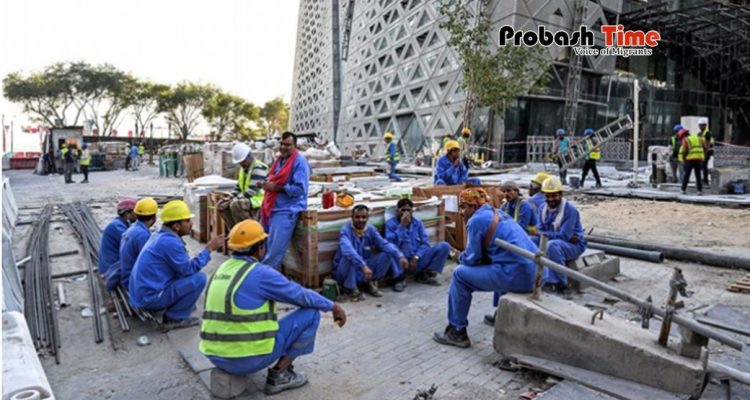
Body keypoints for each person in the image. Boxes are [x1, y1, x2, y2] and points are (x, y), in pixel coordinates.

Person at [200, 220, 347, 395]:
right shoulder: (260, 273)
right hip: (245, 360)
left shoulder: (221, 269)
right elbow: (300, 295)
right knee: (311, 313)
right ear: (260, 248)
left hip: (215, 356)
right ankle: (279, 375)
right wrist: (332, 306)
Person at [432, 188, 538, 348]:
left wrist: (457, 256)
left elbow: (471, 259)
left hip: (518, 276)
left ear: (474, 206)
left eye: (464, 207)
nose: (461, 212)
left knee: (459, 275)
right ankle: (499, 315)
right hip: (534, 272)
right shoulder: (499, 213)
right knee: (500, 259)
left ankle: (456, 331)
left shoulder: (476, 220)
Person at [129, 200, 225, 328]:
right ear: (176, 227)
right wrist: (208, 249)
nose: (191, 224)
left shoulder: (161, 235)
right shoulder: (170, 243)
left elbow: (180, 267)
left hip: (142, 292)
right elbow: (188, 269)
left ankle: (174, 306)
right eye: (187, 221)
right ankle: (174, 318)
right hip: (148, 298)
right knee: (199, 279)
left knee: (186, 279)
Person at [332, 204, 410, 301]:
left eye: (364, 217)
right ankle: (350, 288)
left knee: (387, 255)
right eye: (357, 217)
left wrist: (400, 256)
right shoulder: (346, 230)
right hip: (346, 272)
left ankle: (369, 282)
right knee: (350, 257)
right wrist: (363, 265)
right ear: (352, 217)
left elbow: (384, 244)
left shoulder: (371, 230)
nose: (361, 220)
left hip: (364, 271)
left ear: (368, 218)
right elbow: (348, 250)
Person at [259, 132, 310, 269]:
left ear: (295, 146)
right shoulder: (279, 160)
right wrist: (265, 184)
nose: (283, 147)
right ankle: (266, 277)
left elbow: (300, 190)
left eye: (288, 145)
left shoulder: (300, 162)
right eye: (282, 143)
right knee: (262, 245)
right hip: (270, 208)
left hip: (285, 210)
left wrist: (276, 187)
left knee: (274, 253)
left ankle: (264, 281)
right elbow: (273, 179)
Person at [531, 177, 587, 292]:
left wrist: (542, 233)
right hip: (553, 240)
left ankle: (561, 283)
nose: (551, 199)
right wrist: (540, 233)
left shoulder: (569, 210)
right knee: (530, 241)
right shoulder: (543, 208)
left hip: (574, 245)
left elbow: (564, 236)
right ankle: (531, 275)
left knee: (552, 246)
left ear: (561, 195)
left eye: (554, 195)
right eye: (548, 196)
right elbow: (539, 231)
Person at [385, 198, 451, 286]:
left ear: (412, 211)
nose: (406, 213)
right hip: (400, 261)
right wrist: (402, 226)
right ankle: (399, 279)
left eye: (408, 210)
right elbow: (391, 244)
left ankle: (425, 274)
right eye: (403, 210)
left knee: (444, 246)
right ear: (397, 211)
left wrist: (416, 257)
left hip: (416, 261)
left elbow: (425, 243)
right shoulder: (390, 224)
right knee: (388, 253)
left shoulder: (417, 223)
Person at [219, 143, 268, 229]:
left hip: (258, 200)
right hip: (248, 198)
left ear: (249, 157)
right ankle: (235, 230)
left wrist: (231, 201)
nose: (241, 164)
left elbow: (252, 191)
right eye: (240, 163)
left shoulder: (258, 168)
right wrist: (229, 198)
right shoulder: (243, 169)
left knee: (235, 205)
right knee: (221, 205)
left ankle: (251, 230)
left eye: (243, 162)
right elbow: (238, 188)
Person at [118, 197, 158, 292]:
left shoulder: (132, 229)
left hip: (127, 276)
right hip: (134, 283)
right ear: (154, 218)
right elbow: (149, 265)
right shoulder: (143, 235)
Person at [99, 198, 137, 289]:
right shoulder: (117, 227)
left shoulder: (121, 224)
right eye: (136, 212)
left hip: (112, 265)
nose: (138, 215)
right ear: (128, 213)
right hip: (111, 269)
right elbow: (132, 247)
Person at [680, 129, 707, 195]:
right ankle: (699, 190)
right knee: (698, 175)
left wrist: (684, 157)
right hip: (699, 158)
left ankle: (683, 189)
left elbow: (685, 149)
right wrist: (703, 156)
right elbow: (705, 148)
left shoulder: (686, 140)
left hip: (690, 159)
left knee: (687, 174)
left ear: (683, 135)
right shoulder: (699, 138)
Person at [697, 118, 714, 186]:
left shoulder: (707, 133)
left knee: (704, 166)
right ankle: (702, 180)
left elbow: (707, 144)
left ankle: (705, 181)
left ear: (705, 125)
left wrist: (705, 154)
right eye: (700, 125)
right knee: (700, 166)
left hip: (706, 152)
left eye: (702, 125)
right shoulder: (699, 134)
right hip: (700, 152)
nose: (701, 126)